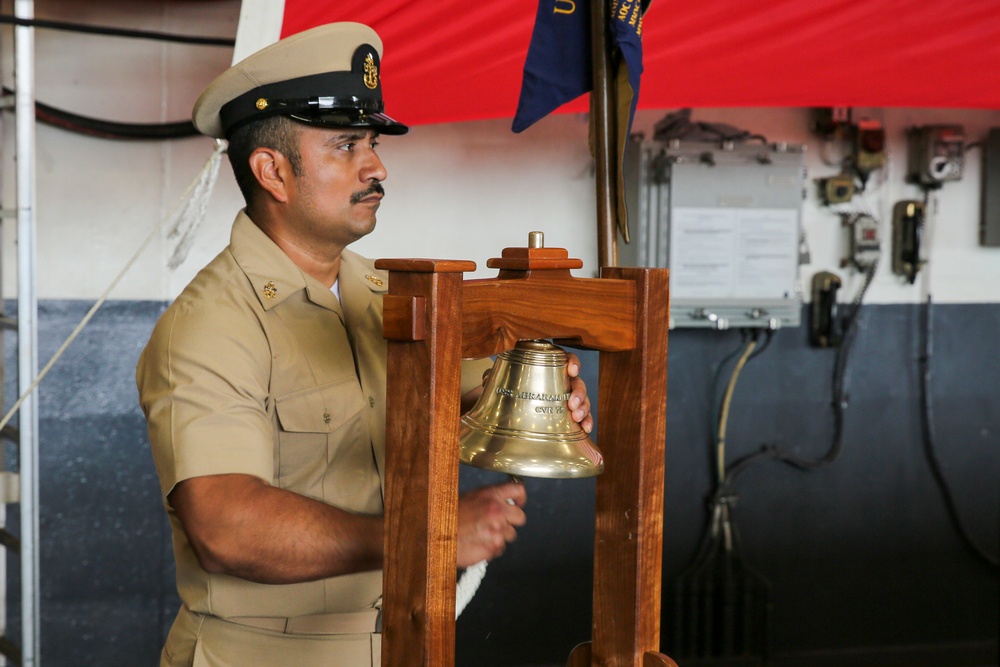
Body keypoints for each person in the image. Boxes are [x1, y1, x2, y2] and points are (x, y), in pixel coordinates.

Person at [136, 22, 592, 667]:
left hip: (403, 642)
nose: (376, 166)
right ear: (272, 171)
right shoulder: (211, 326)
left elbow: (478, 403)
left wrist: (542, 394)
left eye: (372, 143)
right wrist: (428, 537)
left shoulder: (390, 295)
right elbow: (227, 528)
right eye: (346, 146)